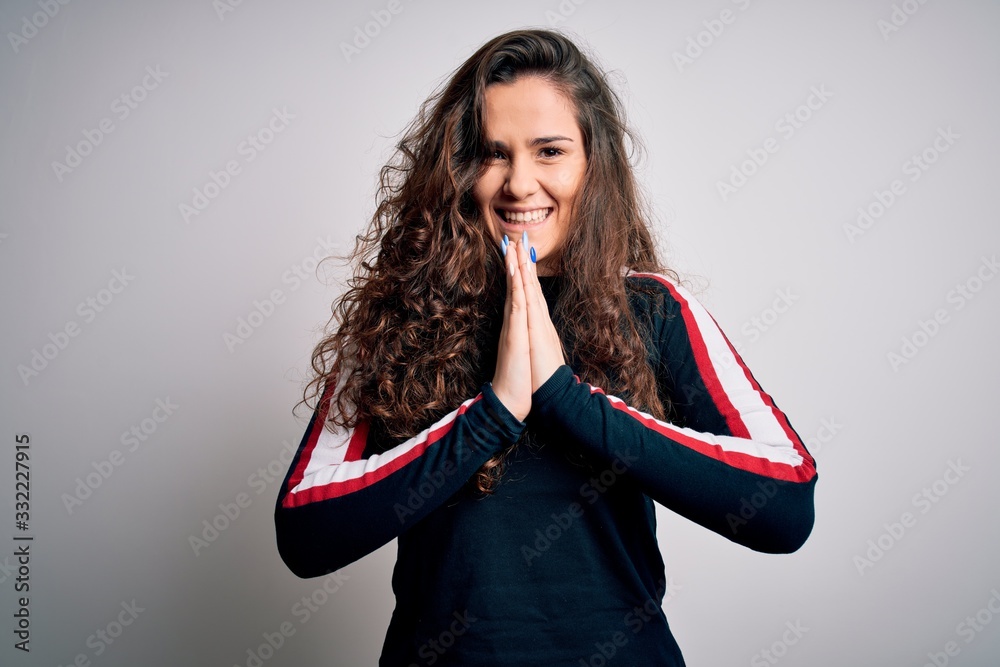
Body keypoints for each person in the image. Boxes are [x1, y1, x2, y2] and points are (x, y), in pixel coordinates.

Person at [274, 28, 817, 666]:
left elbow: (784, 507)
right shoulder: (400, 319)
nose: (519, 184)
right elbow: (305, 535)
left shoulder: (653, 308)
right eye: (491, 153)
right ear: (456, 169)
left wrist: (564, 397)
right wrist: (492, 414)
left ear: (593, 164)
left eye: (550, 151)